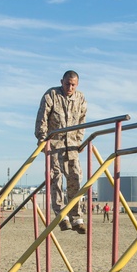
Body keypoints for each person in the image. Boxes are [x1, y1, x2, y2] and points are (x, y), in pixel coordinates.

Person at [34, 71, 87, 234]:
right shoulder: (52, 95)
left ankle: (76, 216)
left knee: (75, 178)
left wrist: (79, 140)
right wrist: (43, 140)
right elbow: (42, 118)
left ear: (77, 84)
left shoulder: (80, 98)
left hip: (71, 145)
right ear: (61, 82)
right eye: (67, 84)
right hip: (54, 143)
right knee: (55, 178)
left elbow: (82, 120)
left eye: (73, 84)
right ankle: (61, 216)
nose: (69, 87)